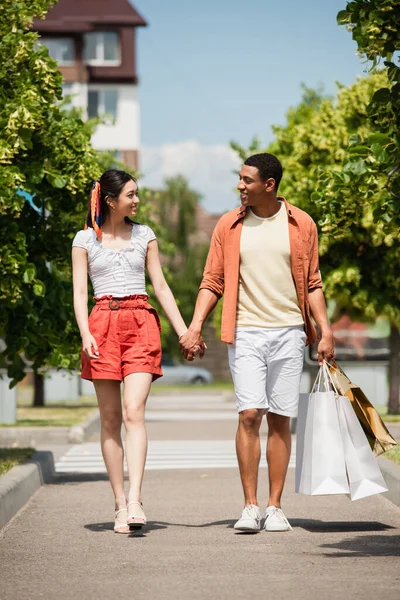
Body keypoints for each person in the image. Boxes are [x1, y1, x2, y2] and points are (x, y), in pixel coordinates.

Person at [180, 153, 335, 532]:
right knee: (250, 414)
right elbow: (212, 281)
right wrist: (195, 326)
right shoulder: (228, 225)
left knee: (280, 419)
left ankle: (275, 506)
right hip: (246, 330)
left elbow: (313, 282)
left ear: (269, 184)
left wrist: (325, 331)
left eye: (246, 180)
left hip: (288, 331)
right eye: (239, 179)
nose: (239, 186)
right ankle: (250, 506)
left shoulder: (301, 224)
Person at [72, 169, 192, 533]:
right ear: (110, 200)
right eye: (131, 195)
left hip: (140, 323)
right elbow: (79, 293)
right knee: (109, 420)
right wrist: (84, 333)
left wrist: (185, 331)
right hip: (101, 326)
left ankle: (137, 500)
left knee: (133, 411)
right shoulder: (84, 240)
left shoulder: (145, 235)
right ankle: (120, 504)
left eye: (136, 194)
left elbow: (161, 286)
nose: (137, 201)